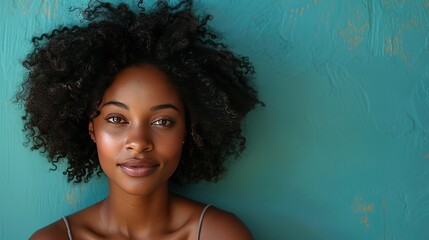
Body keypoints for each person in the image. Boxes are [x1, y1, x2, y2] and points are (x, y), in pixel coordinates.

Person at [16, 0, 262, 239]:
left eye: (163, 121)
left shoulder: (219, 235)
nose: (138, 141)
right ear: (92, 128)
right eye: (116, 119)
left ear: (189, 129)